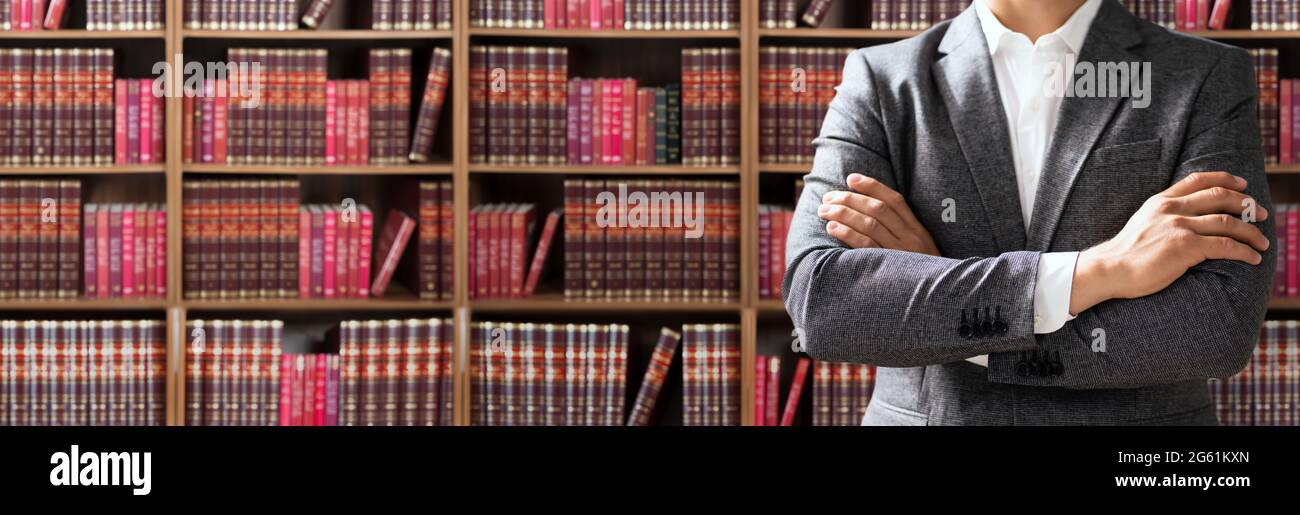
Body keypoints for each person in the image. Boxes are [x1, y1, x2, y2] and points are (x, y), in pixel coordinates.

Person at [784, 0, 1274, 425]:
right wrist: (1101, 270)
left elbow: (1216, 327)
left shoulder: (1205, 74)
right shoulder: (880, 78)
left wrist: (941, 299)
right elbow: (823, 305)